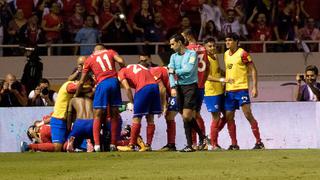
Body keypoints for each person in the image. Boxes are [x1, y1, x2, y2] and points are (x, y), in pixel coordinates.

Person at [76, 44, 125, 152]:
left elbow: (82, 80)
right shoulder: (111, 52)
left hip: (102, 84)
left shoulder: (90, 59)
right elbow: (121, 61)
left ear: (95, 51)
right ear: (103, 49)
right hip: (114, 82)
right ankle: (113, 144)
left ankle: (97, 144)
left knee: (97, 114)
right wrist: (122, 69)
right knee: (114, 114)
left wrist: (77, 93)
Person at [223, 33, 264, 150]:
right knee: (229, 116)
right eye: (226, 40)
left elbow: (253, 70)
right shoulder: (226, 54)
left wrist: (255, 87)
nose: (227, 42)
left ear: (236, 41)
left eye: (230, 40)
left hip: (241, 89)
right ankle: (234, 144)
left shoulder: (243, 53)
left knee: (248, 114)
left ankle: (259, 142)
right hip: (229, 90)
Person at [167, 33, 206, 152]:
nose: (171, 47)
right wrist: (173, 86)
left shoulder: (192, 54)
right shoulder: (173, 56)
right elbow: (170, 72)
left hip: (190, 87)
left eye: (173, 44)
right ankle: (202, 137)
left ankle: (190, 145)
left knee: (186, 116)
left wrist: (174, 71)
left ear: (179, 43)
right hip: (178, 87)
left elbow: (188, 70)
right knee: (185, 116)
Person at [116, 63, 161, 151]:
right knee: (150, 118)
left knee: (136, 117)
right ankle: (148, 145)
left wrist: (132, 101)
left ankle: (131, 145)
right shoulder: (133, 66)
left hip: (143, 88)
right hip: (155, 87)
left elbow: (127, 88)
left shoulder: (121, 72)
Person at [181, 28, 209, 150]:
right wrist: (203, 81)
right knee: (195, 114)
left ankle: (195, 142)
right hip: (201, 85)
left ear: (188, 37)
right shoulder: (203, 48)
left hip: (191, 84)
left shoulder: (188, 50)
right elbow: (207, 68)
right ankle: (200, 142)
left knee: (191, 115)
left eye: (183, 37)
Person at [203, 37, 228, 150]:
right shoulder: (205, 59)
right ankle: (214, 144)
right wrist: (222, 80)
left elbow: (217, 71)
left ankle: (211, 136)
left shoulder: (216, 56)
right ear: (205, 47)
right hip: (211, 91)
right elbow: (206, 76)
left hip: (220, 90)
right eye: (210, 46)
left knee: (227, 115)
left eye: (214, 46)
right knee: (216, 117)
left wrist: (227, 73)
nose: (212, 48)